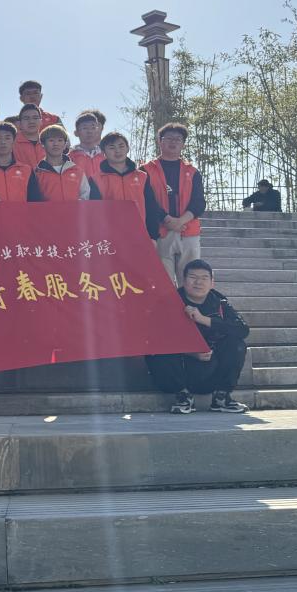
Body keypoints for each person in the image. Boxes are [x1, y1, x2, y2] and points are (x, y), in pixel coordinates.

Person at [146, 260, 250, 414]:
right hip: (178, 370)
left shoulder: (220, 302)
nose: (198, 282)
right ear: (183, 280)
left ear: (212, 282)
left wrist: (203, 319)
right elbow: (153, 337)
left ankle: (221, 397)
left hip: (210, 369)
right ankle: (183, 396)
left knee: (236, 343)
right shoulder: (168, 302)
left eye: (204, 278)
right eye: (193, 277)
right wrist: (190, 352)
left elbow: (242, 330)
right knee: (157, 349)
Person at [141, 123, 206, 285]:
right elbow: (147, 200)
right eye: (169, 138)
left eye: (178, 139)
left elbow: (199, 202)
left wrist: (180, 221)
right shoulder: (145, 170)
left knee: (190, 281)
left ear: (183, 144)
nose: (173, 142)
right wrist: (167, 219)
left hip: (188, 231)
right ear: (160, 141)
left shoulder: (192, 171)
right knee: (163, 282)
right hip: (160, 231)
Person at [94, 132, 163, 239]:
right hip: (110, 238)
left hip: (139, 235)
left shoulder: (142, 177)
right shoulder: (96, 179)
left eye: (121, 146)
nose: (117, 151)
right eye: (112, 148)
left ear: (127, 148)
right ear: (103, 153)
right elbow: (94, 214)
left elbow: (151, 208)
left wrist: (153, 237)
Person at [31, 124, 100, 201]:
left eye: (60, 140)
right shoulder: (37, 173)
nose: (56, 144)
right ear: (43, 144)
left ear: (65, 145)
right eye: (51, 140)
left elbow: (85, 195)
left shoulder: (77, 170)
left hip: (75, 209)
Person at [0, 122, 36, 204]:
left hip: (21, 212)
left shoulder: (27, 170)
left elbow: (35, 201)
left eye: (7, 138)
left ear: (14, 142)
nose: (3, 142)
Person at [68, 110, 106, 179]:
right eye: (85, 128)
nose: (89, 131)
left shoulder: (105, 155)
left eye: (93, 128)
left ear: (97, 131)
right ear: (76, 133)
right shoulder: (70, 157)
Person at [13, 103, 46, 168]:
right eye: (26, 118)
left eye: (35, 118)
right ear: (20, 124)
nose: (31, 121)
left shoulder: (49, 142)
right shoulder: (11, 143)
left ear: (41, 121)